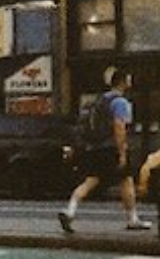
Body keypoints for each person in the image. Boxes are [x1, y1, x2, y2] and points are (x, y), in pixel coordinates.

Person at [59, 67, 150, 233]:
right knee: (126, 180)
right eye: (128, 79)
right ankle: (133, 219)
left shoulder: (100, 100)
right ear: (123, 82)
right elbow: (119, 127)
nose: (130, 82)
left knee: (90, 181)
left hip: (95, 147)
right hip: (111, 147)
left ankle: (70, 210)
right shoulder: (120, 102)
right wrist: (122, 153)